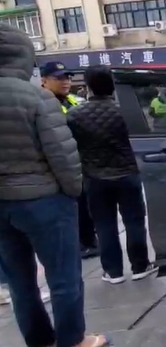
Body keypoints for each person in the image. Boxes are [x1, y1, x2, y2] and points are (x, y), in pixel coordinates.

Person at [0, 25, 109, 347]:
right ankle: (73, 342)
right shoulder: (36, 97)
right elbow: (61, 154)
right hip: (44, 199)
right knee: (62, 275)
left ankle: (45, 346)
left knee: (19, 281)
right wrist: (73, 192)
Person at [67, 65, 158, 285]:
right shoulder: (126, 111)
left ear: (88, 87)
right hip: (127, 174)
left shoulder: (74, 114)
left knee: (104, 224)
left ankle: (113, 271)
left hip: (94, 178)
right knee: (134, 222)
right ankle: (140, 265)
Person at [40, 62, 99, 260]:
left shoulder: (75, 100)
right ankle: (79, 243)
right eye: (59, 78)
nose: (66, 82)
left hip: (81, 162)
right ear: (44, 81)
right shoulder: (39, 104)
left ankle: (89, 241)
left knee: (85, 206)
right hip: (57, 165)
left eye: (67, 77)